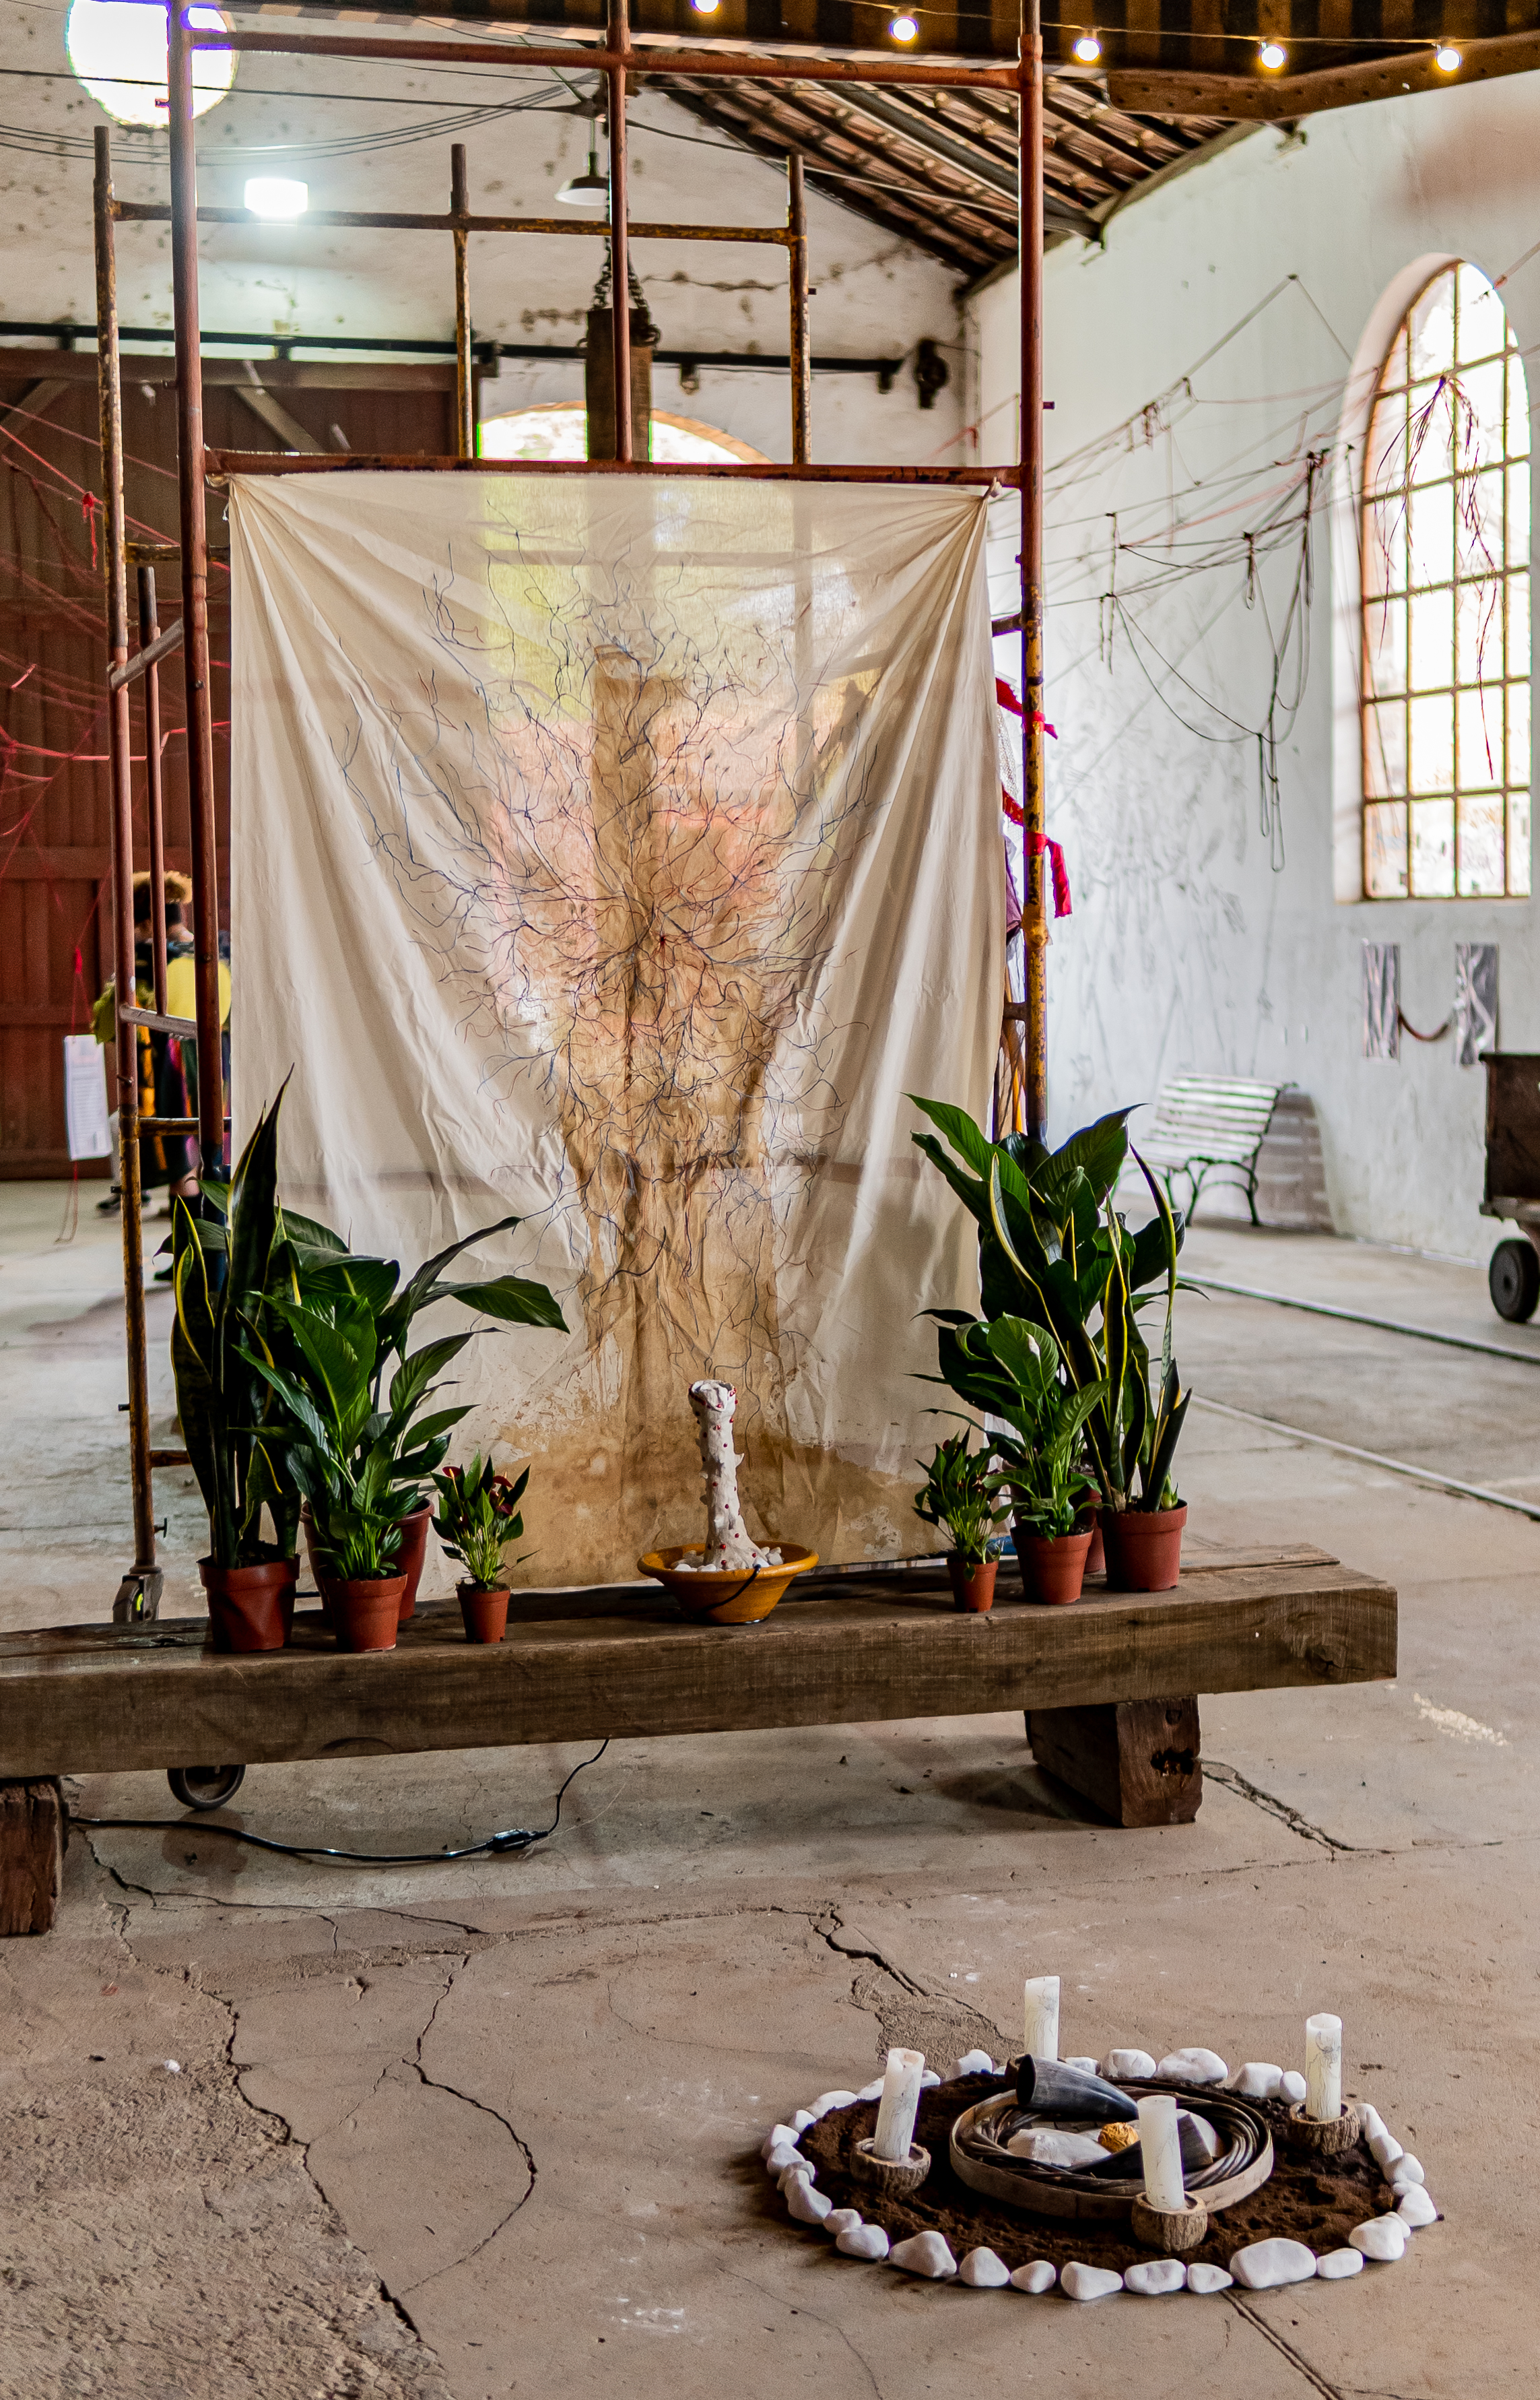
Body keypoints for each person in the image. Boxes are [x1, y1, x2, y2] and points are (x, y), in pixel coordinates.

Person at [92, 872, 199, 1214]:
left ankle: (181, 1208)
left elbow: (110, 1018)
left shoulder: (149, 958)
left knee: (171, 1128)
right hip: (207, 1058)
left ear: (148, 920)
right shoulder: (207, 949)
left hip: (165, 1061)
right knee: (195, 1127)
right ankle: (185, 1205)